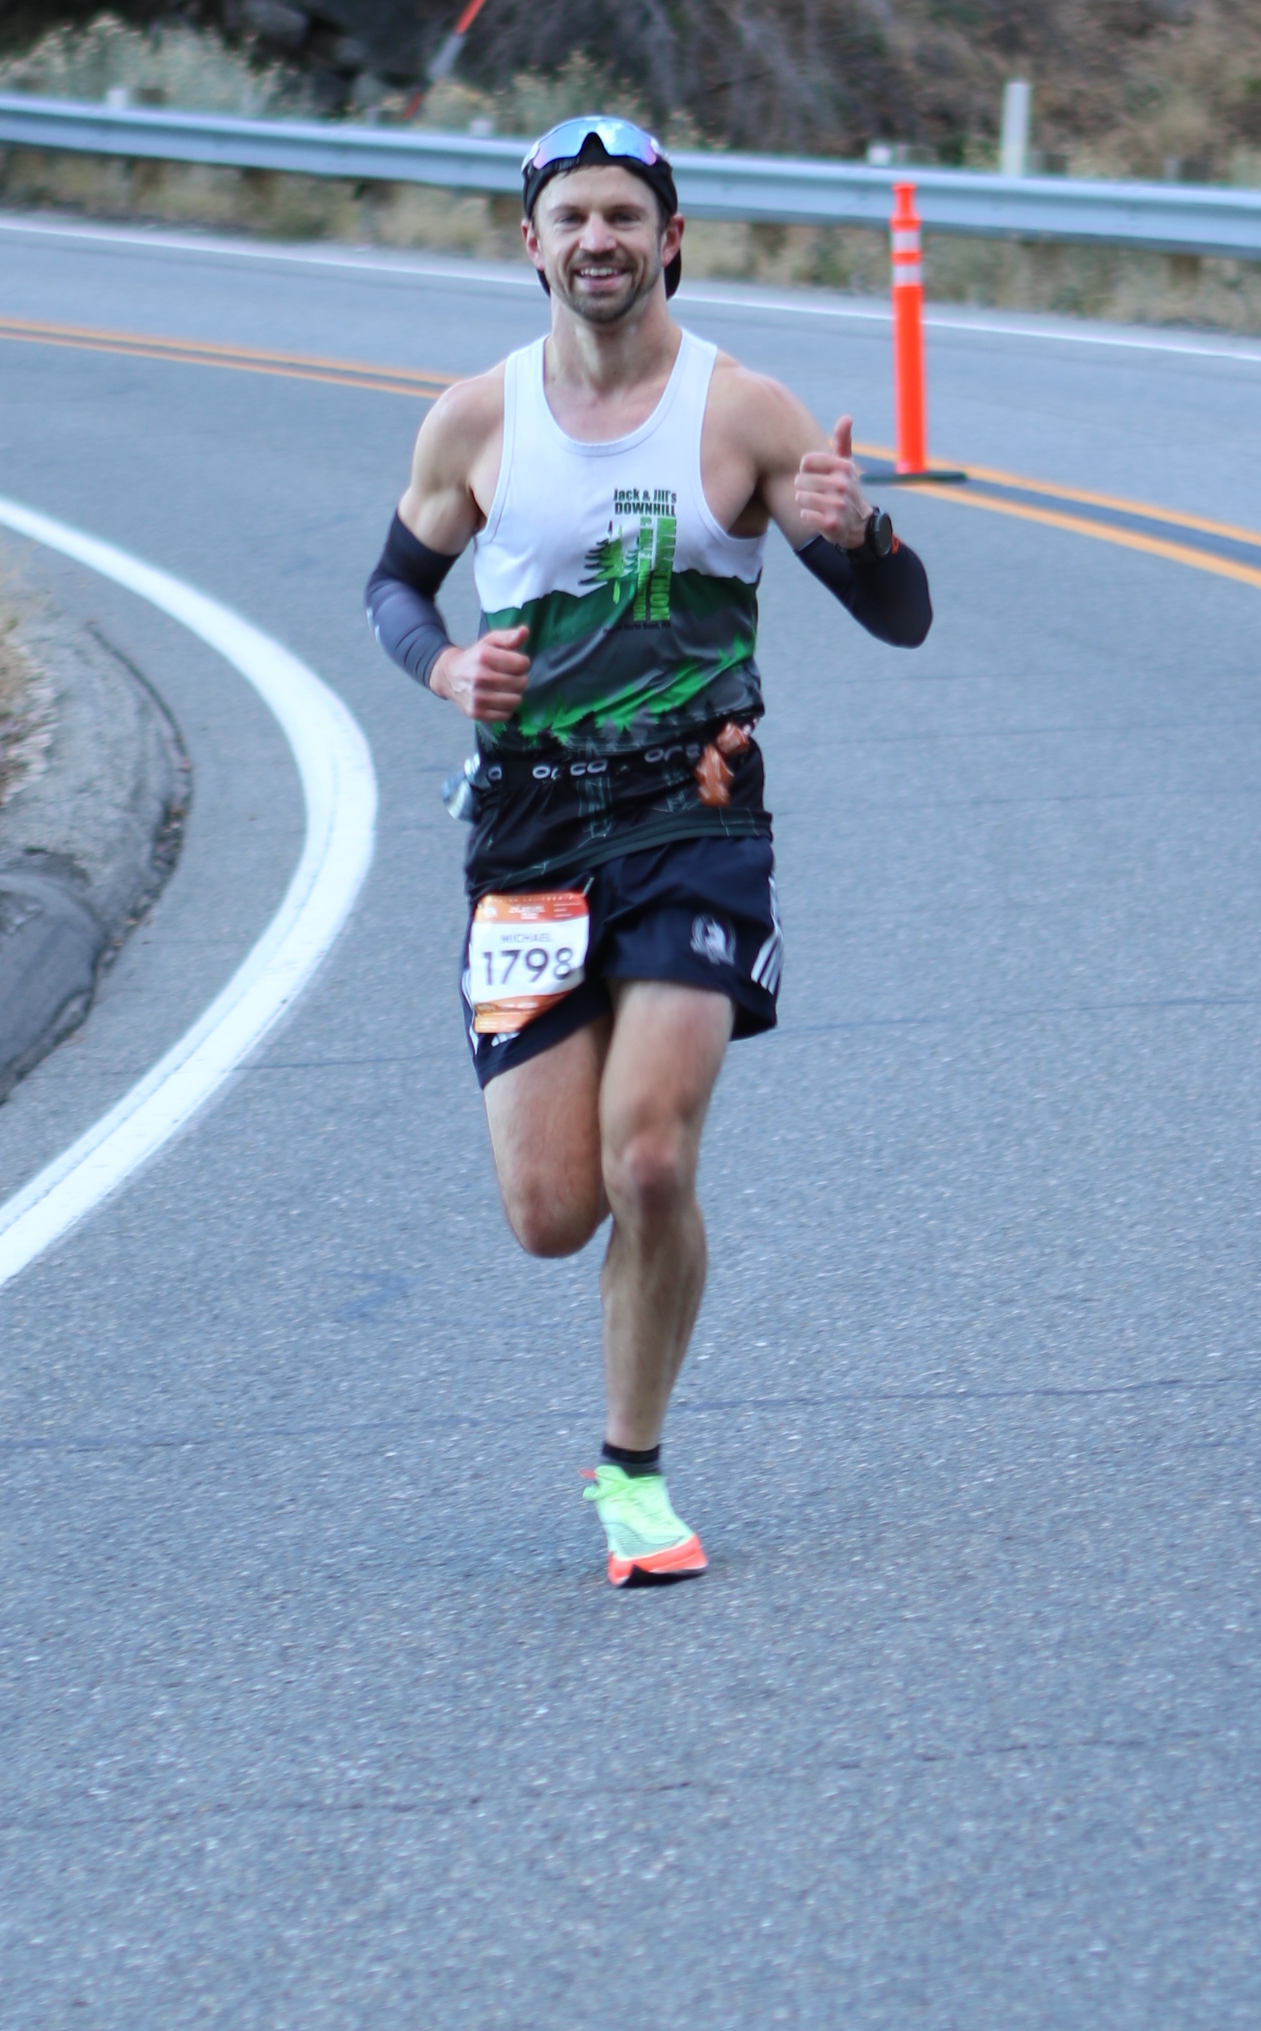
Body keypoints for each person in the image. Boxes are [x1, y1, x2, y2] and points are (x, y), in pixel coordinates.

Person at [366, 114, 933, 1587]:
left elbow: (901, 615)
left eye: (624, 215)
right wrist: (445, 668)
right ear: (531, 244)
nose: (598, 240)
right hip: (530, 831)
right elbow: (393, 587)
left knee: (653, 1155)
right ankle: (621, 1397)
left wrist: (862, 530)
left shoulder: (740, 411)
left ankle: (633, 1475)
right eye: (572, 218)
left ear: (670, 239)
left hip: (694, 812)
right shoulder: (474, 421)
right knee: (553, 1212)